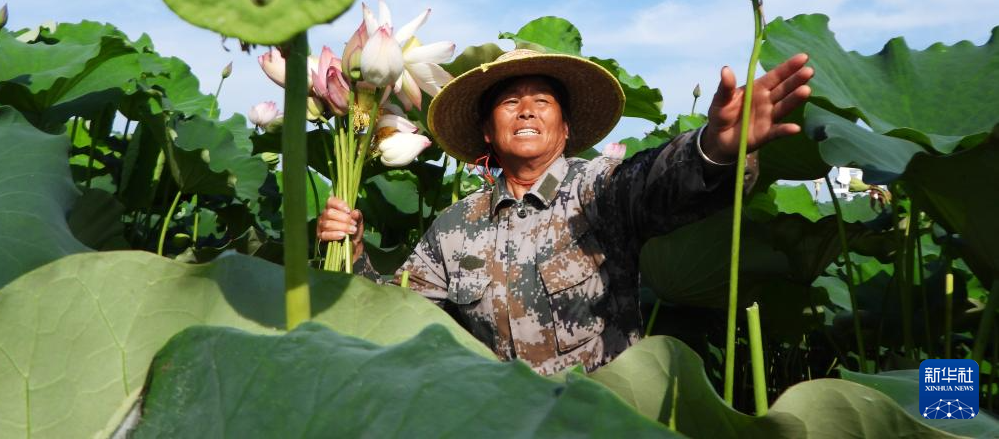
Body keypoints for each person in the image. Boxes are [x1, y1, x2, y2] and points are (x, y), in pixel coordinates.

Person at [317, 48, 813, 375]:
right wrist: (354, 250)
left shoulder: (596, 189)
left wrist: (715, 148)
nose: (527, 110)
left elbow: (657, 183)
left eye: (542, 101)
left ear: (566, 127)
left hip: (599, 421)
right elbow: (400, 316)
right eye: (510, 102)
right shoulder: (456, 226)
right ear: (488, 132)